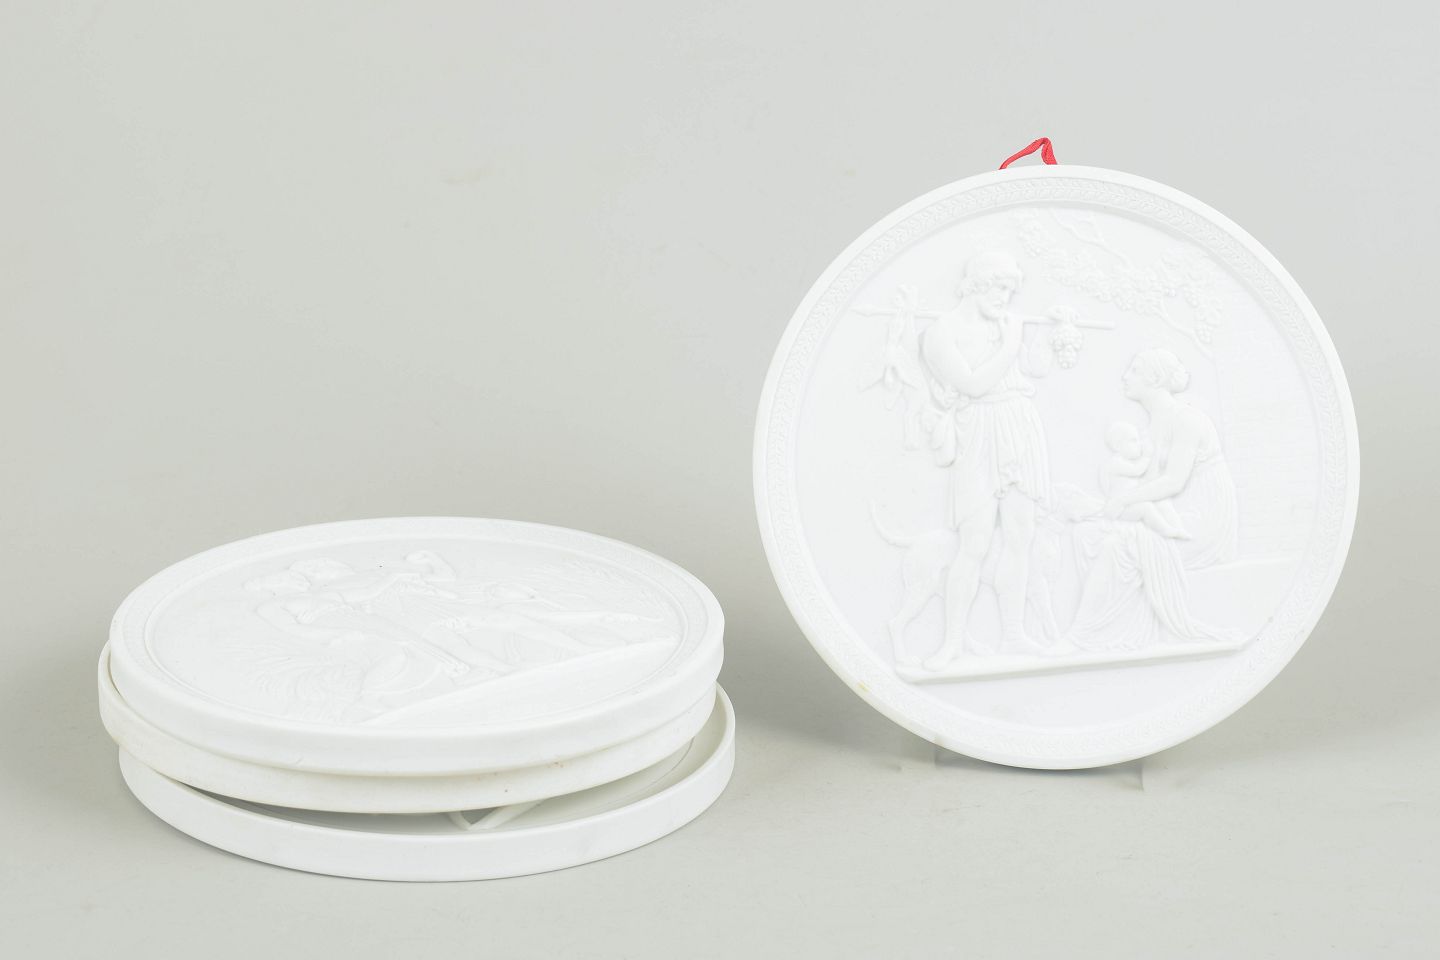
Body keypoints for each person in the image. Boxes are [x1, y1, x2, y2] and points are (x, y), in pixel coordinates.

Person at [919, 251, 1050, 667]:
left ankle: (1013, 634)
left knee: (1021, 535)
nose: (1004, 297)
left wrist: (1046, 336)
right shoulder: (941, 332)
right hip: (979, 430)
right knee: (974, 542)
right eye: (998, 287)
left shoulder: (1003, 323)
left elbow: (1037, 368)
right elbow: (973, 384)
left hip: (1019, 425)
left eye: (1010, 290)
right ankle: (952, 642)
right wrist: (1012, 342)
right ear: (976, 284)